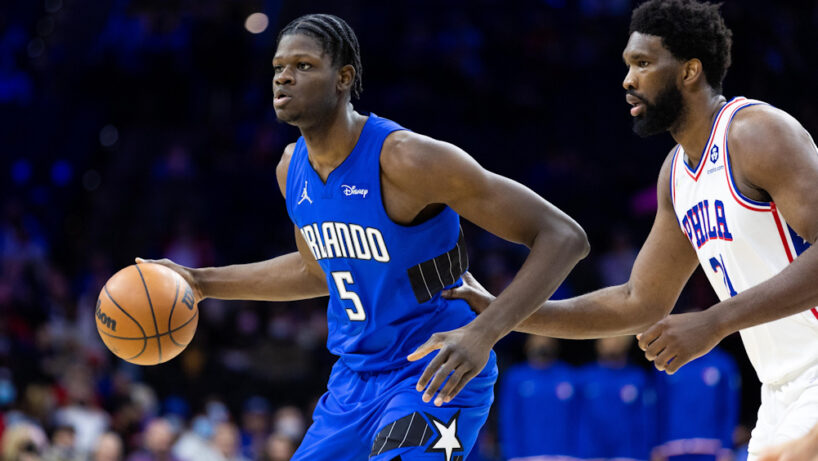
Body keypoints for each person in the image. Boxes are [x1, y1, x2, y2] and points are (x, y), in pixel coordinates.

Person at [139, 13, 588, 461]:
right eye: (278, 67)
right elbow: (315, 270)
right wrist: (201, 283)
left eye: (304, 65)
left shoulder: (407, 159)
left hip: (434, 371)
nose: (284, 78)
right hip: (352, 383)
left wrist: (482, 334)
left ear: (343, 77)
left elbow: (563, 237)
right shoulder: (290, 169)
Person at [445, 1, 818, 459]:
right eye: (627, 65)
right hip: (780, 390)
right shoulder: (676, 175)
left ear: (689, 71)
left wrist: (714, 321)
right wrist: (504, 313)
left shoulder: (756, 133)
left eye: (642, 63)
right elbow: (636, 302)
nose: (627, 80)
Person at [498, 336, 579, 460]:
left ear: (555, 344)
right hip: (526, 454)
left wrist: (578, 453)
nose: (542, 344)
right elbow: (509, 417)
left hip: (564, 454)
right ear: (527, 345)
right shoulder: (516, 377)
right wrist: (511, 454)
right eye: (536, 339)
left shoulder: (569, 375)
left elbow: (579, 418)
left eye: (546, 340)